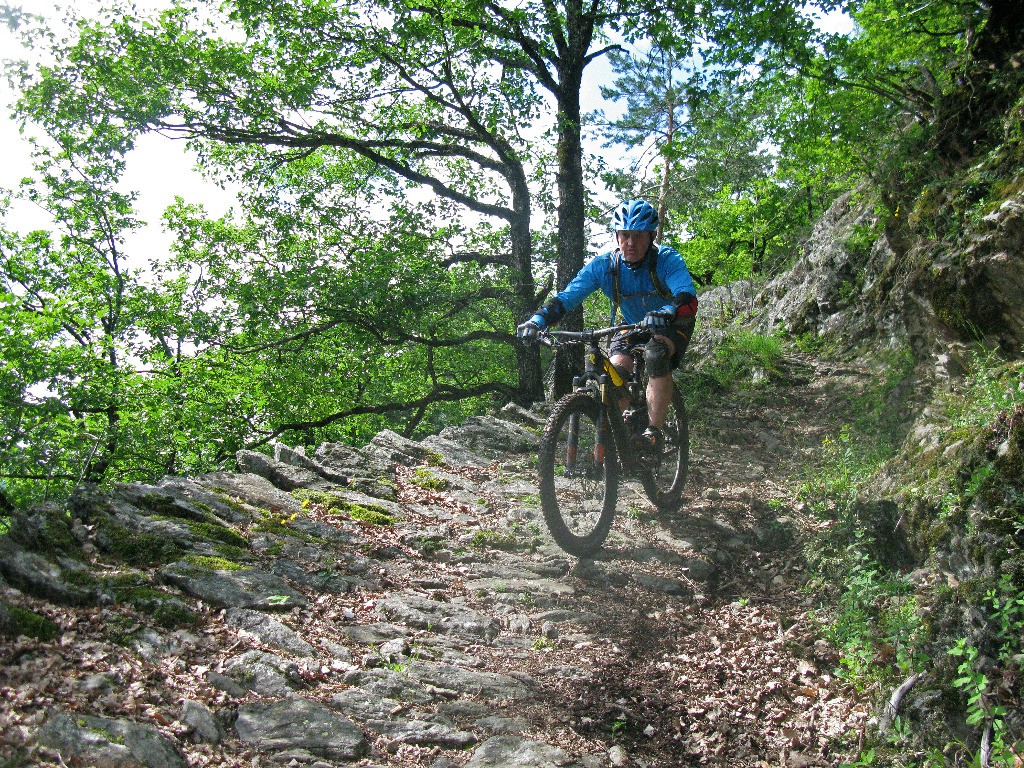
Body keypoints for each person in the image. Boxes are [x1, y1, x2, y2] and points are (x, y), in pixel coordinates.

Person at [516, 199, 698, 453]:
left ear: (651, 236)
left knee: (655, 355)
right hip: (633, 324)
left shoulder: (666, 259)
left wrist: (668, 310)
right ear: (616, 236)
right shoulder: (605, 266)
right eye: (624, 236)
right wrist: (538, 321)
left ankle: (654, 433)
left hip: (671, 322)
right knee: (614, 375)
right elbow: (567, 297)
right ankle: (629, 432)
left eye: (637, 236)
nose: (630, 243)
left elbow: (686, 295)